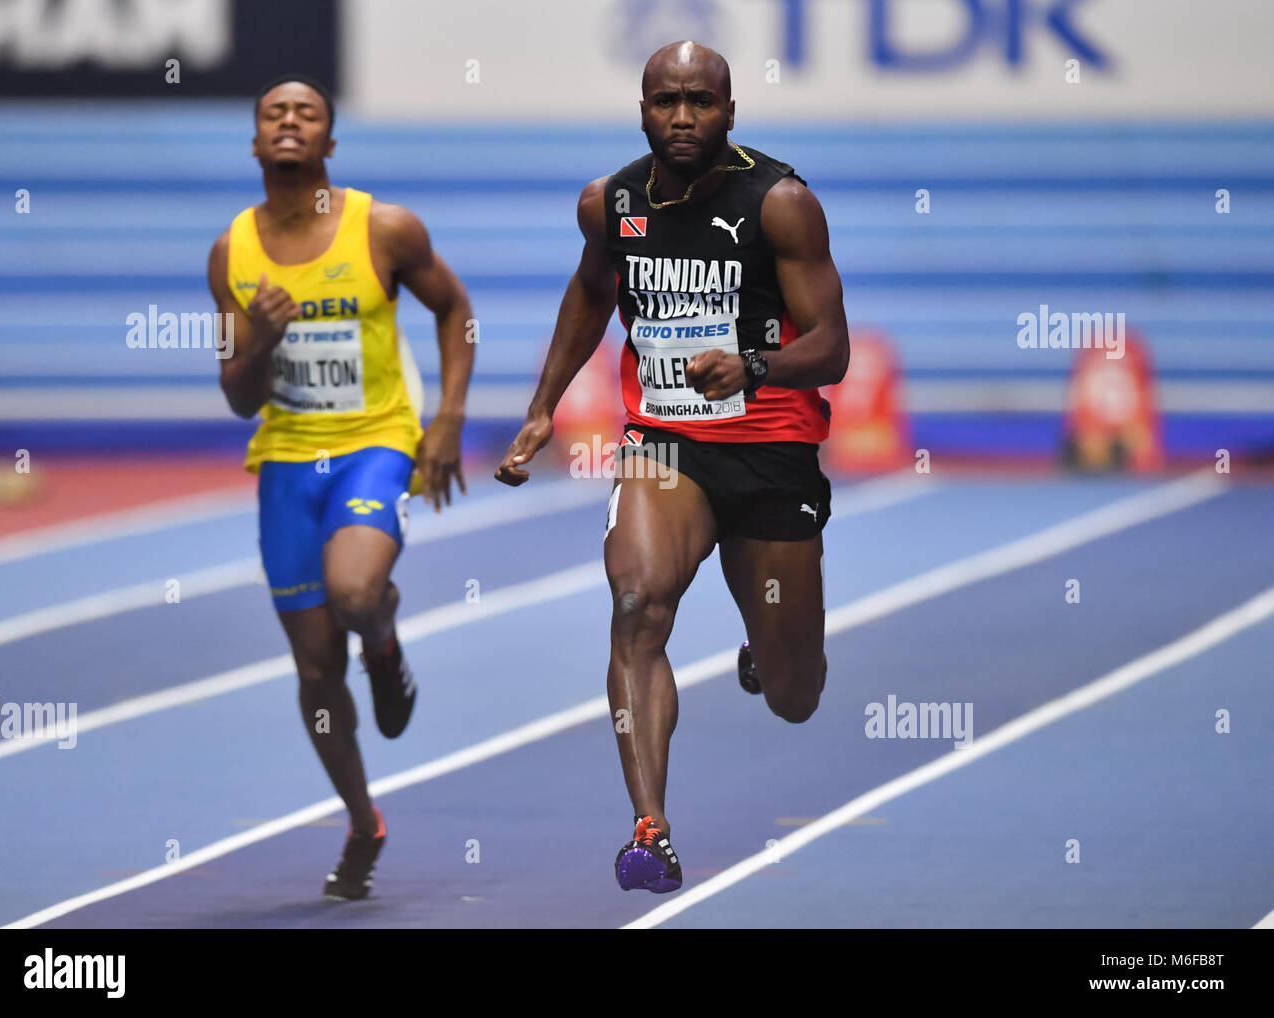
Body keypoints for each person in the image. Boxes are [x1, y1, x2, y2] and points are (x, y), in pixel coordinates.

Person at [495, 41, 849, 894]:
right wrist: (545, 404)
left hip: (770, 452)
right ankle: (650, 829)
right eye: (664, 101)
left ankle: (767, 650)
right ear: (642, 108)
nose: (681, 117)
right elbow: (591, 291)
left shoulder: (782, 204)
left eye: (700, 101)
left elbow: (832, 347)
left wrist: (753, 366)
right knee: (636, 604)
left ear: (730, 112)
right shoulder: (611, 203)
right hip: (665, 443)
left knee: (795, 695)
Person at [208, 74, 474, 900]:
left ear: (328, 143)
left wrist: (447, 421)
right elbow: (237, 396)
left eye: (307, 113)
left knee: (354, 590)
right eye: (272, 113)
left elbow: (454, 309)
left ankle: (383, 635)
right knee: (318, 672)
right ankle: (363, 821)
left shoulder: (382, 228)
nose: (288, 121)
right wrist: (261, 341)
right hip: (287, 459)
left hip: (374, 445)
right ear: (256, 144)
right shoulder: (231, 256)